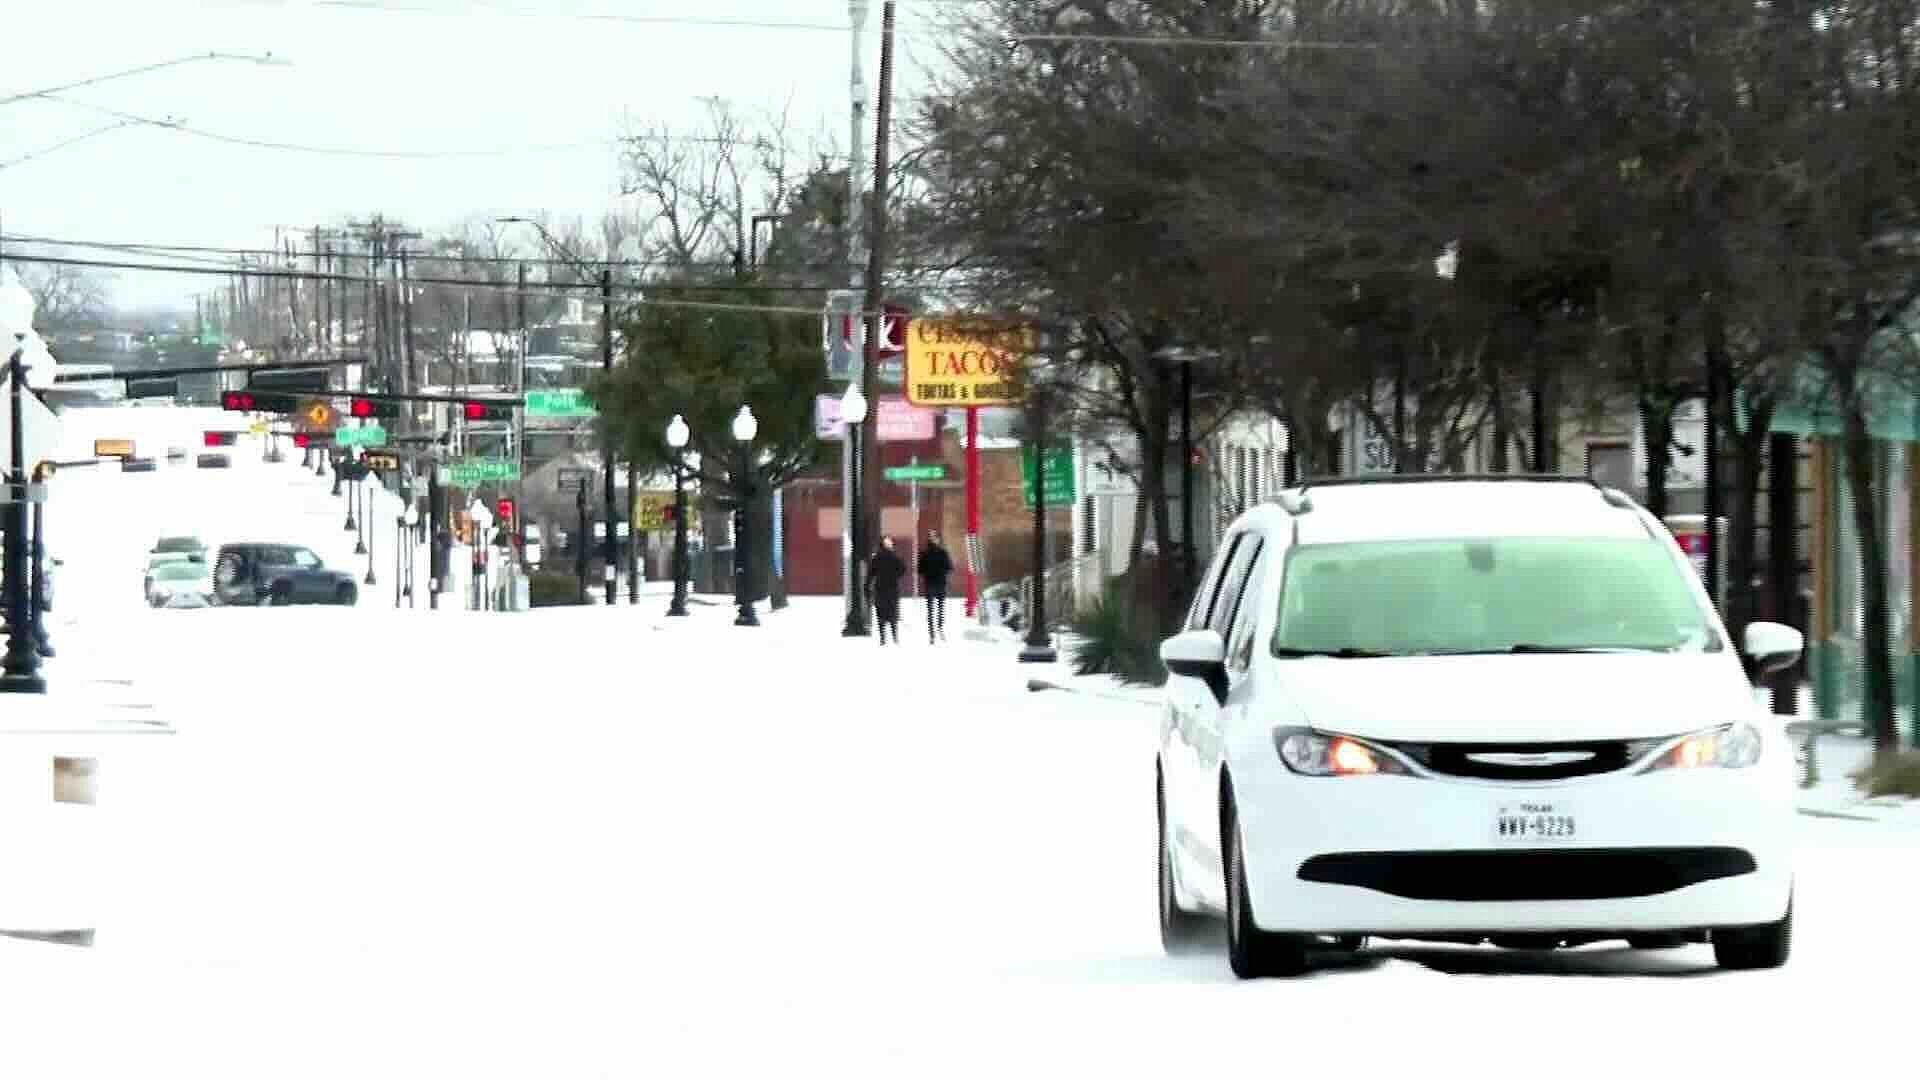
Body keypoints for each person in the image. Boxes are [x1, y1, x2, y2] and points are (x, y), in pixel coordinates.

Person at [917, 531, 955, 642]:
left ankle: (937, 630)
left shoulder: (928, 553)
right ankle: (934, 632)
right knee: (934, 608)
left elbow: (920, 570)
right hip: (936, 583)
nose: (934, 539)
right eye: (932, 537)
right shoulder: (941, 552)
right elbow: (949, 567)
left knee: (937, 608)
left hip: (934, 583)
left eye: (935, 537)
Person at [870, 536, 908, 644]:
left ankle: (888, 637)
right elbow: (903, 568)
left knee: (884, 612)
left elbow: (871, 573)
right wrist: (896, 576)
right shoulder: (891, 556)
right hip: (888, 588)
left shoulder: (879, 557)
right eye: (887, 542)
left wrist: (868, 585)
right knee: (889, 612)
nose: (889, 544)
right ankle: (890, 637)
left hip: (884, 588)